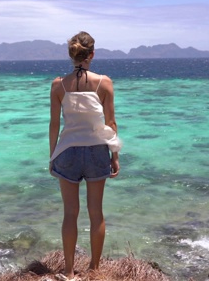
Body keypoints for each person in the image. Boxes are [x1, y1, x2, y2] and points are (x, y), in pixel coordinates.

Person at [49, 31, 122, 280]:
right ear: (92, 54)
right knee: (96, 213)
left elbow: (54, 125)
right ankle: (94, 270)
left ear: (72, 54)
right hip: (96, 151)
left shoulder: (58, 84)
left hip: (67, 151)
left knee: (70, 213)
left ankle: (69, 273)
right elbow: (111, 123)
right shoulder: (104, 83)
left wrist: (52, 156)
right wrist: (115, 155)